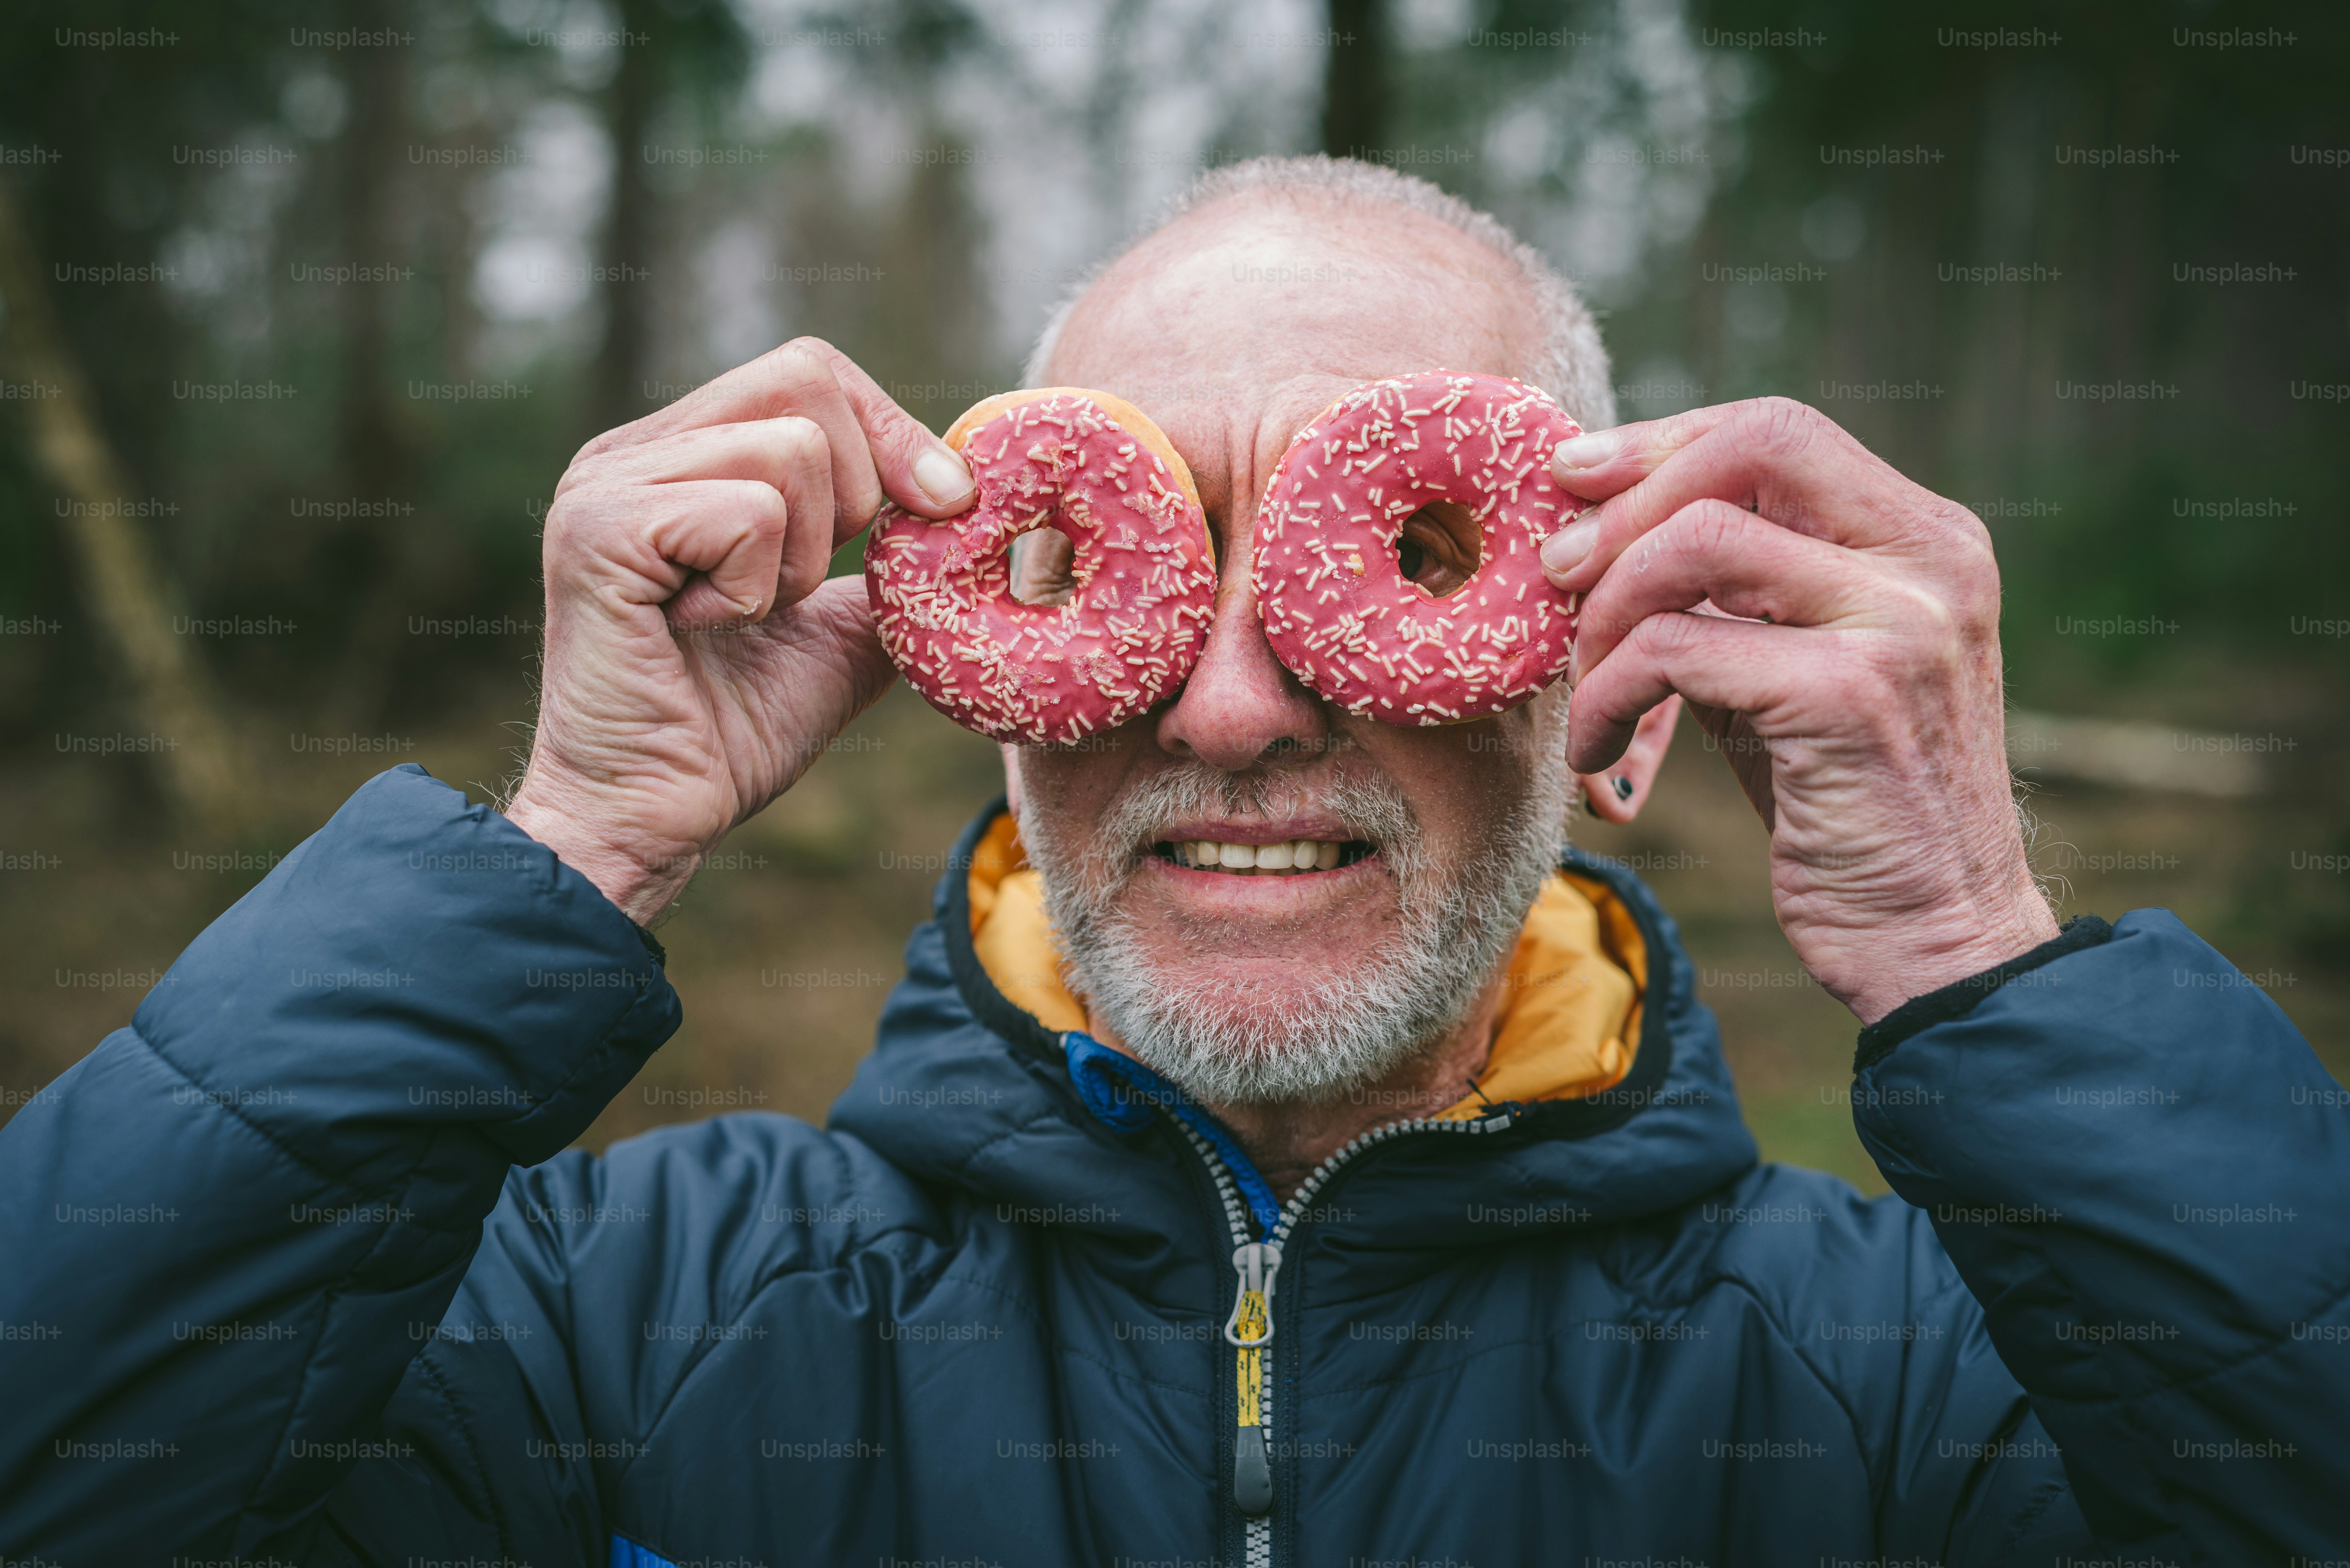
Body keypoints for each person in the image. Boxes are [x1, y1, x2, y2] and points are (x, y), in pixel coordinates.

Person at [1, 157, 2340, 1567]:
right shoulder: (602, 1324)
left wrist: (1971, 952)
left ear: (1620, 677)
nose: (1228, 710)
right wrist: (568, 844)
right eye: (1125, 568)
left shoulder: (1940, 1387)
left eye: (1399, 555)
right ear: (980, 633)